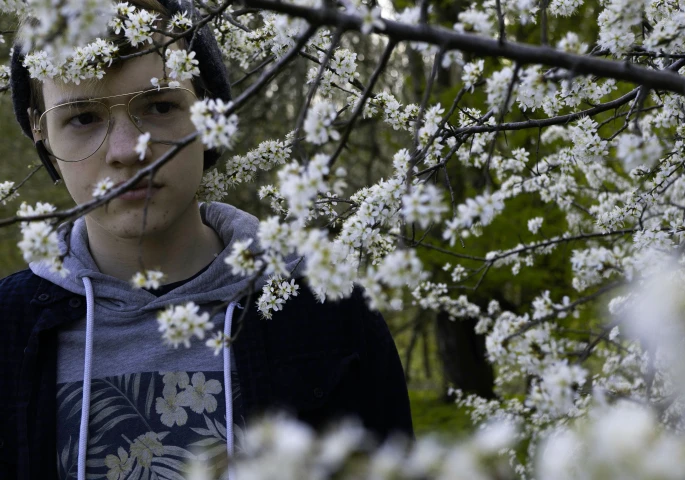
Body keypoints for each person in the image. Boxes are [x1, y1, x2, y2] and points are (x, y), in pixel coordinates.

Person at [0, 0, 413, 478]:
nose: (128, 152)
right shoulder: (7, 332)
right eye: (83, 118)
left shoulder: (329, 310)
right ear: (40, 132)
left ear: (212, 113)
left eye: (160, 106)